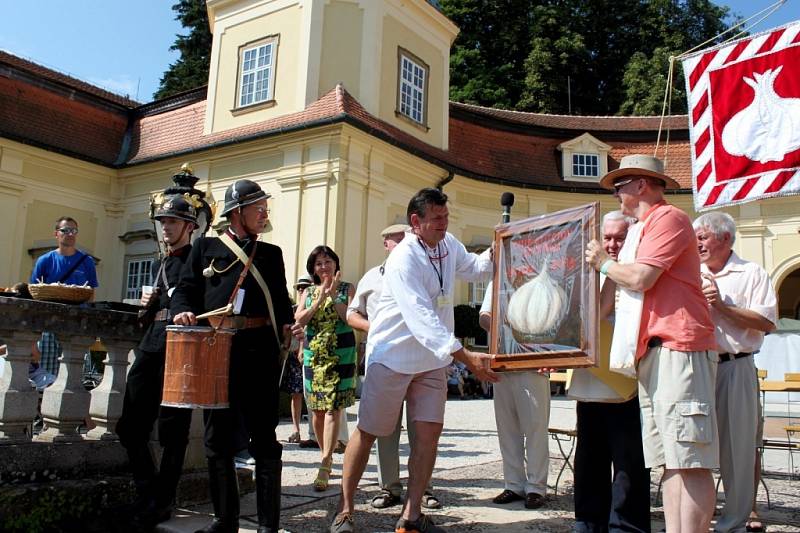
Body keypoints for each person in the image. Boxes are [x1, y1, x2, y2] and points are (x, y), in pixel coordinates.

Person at [330, 187, 498, 533]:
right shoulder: (403, 258)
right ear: (416, 222)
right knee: (369, 431)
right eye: (437, 219)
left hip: (430, 362)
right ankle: (345, 510)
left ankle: (411, 515)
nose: (444, 224)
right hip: (391, 357)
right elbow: (421, 318)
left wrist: (501, 247)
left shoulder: (448, 243)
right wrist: (467, 358)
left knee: (428, 435)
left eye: (446, 217)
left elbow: (478, 268)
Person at [585, 154, 718, 532]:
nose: (615, 192)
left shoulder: (669, 219)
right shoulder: (641, 229)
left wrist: (602, 264)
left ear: (641, 185)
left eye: (619, 185)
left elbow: (642, 278)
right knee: (671, 461)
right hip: (655, 351)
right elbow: (608, 301)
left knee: (689, 460)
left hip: (679, 346)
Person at [171, 179, 294, 533]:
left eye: (265, 206)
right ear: (236, 211)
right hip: (217, 350)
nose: (264, 212)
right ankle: (225, 521)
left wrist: (288, 327)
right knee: (216, 438)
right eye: (258, 206)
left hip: (259, 352)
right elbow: (185, 290)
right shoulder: (204, 248)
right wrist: (182, 310)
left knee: (265, 437)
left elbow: (281, 305)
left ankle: (268, 525)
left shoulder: (271, 254)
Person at [115, 195, 199, 530]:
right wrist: (147, 304)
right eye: (163, 221)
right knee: (130, 427)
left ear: (189, 227)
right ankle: (150, 489)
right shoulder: (159, 263)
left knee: (173, 432)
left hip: (179, 350)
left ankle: (162, 501)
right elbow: (152, 312)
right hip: (151, 345)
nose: (166, 227)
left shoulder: (197, 259)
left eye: (173, 221)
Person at [346, 224, 442, 511]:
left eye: (407, 239)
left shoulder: (426, 271)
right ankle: (389, 486)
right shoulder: (372, 277)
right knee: (383, 429)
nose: (404, 245)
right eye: (397, 240)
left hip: (421, 359)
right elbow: (352, 313)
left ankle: (423, 488)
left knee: (421, 427)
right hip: (386, 358)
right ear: (386, 243)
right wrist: (374, 327)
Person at [693, 212, 777, 533]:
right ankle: (697, 521)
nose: (697, 242)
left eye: (703, 236)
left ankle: (733, 524)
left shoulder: (751, 273)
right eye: (696, 236)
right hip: (696, 367)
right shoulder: (689, 272)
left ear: (725, 239)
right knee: (692, 447)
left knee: (738, 451)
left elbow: (767, 323)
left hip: (735, 366)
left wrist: (722, 306)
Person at [570, 211, 650, 532]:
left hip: (627, 385)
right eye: (608, 237)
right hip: (591, 382)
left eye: (620, 237)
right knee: (589, 461)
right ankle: (588, 522)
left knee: (629, 464)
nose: (613, 244)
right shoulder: (587, 273)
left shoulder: (636, 270)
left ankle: (625, 525)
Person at [478, 280, 549, 510]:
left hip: (533, 363)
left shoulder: (541, 283)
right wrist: (505, 324)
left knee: (535, 428)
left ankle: (536, 487)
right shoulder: (498, 282)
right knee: (507, 428)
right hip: (503, 361)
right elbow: (484, 316)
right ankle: (514, 484)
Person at [294, 246, 357, 491]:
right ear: (314, 268)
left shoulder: (346, 288)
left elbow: (349, 318)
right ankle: (326, 453)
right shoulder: (308, 291)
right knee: (317, 411)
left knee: (332, 409)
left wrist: (332, 297)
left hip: (340, 353)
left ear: (335, 264)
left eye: (328, 261)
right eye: (319, 263)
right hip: (314, 355)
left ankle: (325, 462)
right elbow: (299, 320)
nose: (324, 266)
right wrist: (319, 299)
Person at [30, 216, 99, 378]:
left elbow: (90, 292)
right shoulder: (45, 260)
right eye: (65, 230)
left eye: (74, 231)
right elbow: (34, 292)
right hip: (49, 323)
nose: (70, 234)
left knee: (72, 373)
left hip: (76, 322)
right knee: (48, 371)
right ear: (56, 234)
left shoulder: (86, 261)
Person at [284, 275, 314, 445]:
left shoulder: (316, 308)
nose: (302, 290)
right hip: (294, 356)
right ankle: (296, 429)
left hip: (310, 354)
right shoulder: (293, 309)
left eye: (305, 287)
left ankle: (314, 432)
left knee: (312, 395)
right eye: (299, 288)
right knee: (296, 394)